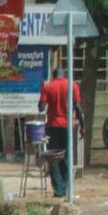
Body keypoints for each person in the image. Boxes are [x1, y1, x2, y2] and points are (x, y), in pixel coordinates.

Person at [37, 60, 82, 199]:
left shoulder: (48, 86)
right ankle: (67, 187)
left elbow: (41, 107)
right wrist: (83, 125)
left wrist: (42, 95)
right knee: (67, 156)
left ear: (54, 75)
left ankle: (58, 189)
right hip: (68, 126)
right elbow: (78, 107)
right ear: (64, 75)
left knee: (54, 158)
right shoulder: (73, 85)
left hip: (52, 126)